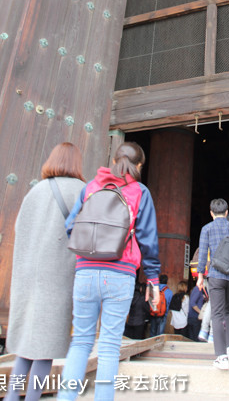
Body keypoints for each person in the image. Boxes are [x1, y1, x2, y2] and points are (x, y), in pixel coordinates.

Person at [58, 142, 160, 401]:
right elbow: (148, 239)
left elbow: (71, 227)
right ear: (138, 166)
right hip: (120, 272)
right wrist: (153, 280)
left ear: (114, 160)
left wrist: (89, 248)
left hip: (85, 271)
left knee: (80, 341)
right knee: (109, 345)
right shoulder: (140, 191)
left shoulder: (90, 187)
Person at [4, 143, 86, 401]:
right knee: (45, 345)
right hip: (59, 275)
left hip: (28, 275)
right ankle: (32, 397)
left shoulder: (35, 191)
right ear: (75, 164)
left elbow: (19, 228)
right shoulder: (80, 191)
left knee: (28, 344)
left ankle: (11, 395)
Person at [196, 199, 229, 370]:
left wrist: (200, 277)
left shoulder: (207, 229)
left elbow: (203, 255)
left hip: (216, 275)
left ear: (211, 213)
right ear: (227, 212)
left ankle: (221, 357)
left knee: (217, 314)